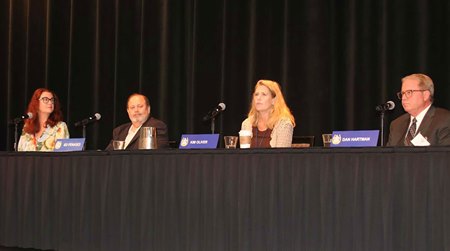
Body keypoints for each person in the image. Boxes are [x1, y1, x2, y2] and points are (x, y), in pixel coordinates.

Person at [387, 73, 450, 146]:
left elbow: (445, 154)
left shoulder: (444, 119)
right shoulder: (396, 124)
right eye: (402, 93)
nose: (403, 98)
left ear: (425, 95)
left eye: (409, 92)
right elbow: (389, 155)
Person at [241, 80, 296, 148]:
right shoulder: (246, 124)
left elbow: (282, 156)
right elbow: (243, 155)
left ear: (274, 100)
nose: (258, 98)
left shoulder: (284, 124)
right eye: (256, 94)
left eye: (264, 94)